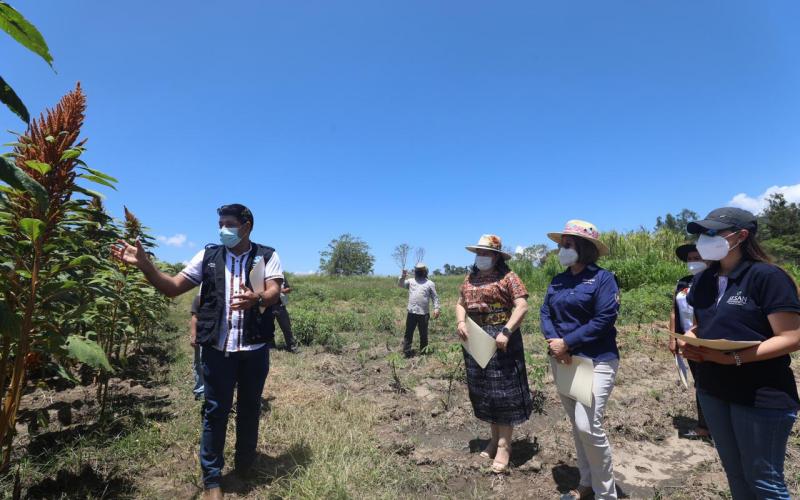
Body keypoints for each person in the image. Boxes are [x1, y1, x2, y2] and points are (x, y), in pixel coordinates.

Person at [111, 204, 283, 500]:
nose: (222, 229)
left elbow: (274, 291)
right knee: (215, 412)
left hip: (254, 349)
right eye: (220, 223)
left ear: (246, 226)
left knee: (250, 409)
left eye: (228, 223)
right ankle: (212, 480)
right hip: (217, 350)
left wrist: (257, 298)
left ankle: (244, 466)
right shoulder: (208, 256)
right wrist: (146, 266)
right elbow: (173, 287)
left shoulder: (267, 255)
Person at [680, 207, 800, 500]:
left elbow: (792, 336)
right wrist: (690, 338)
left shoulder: (766, 277)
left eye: (712, 233)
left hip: (760, 394)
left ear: (741, 236)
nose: (703, 240)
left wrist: (734, 358)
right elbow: (700, 323)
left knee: (763, 481)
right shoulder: (704, 279)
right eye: (701, 234)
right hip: (713, 389)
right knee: (735, 473)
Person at [540, 220, 620, 500]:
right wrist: (555, 344)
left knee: (588, 425)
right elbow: (545, 313)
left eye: (568, 244)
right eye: (561, 244)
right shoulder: (558, 280)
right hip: (563, 361)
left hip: (596, 361)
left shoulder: (603, 279)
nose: (562, 249)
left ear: (584, 248)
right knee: (577, 425)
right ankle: (586, 483)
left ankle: (605, 494)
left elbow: (604, 318)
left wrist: (568, 343)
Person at [455, 234, 532, 474]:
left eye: (486, 253)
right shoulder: (470, 278)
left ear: (496, 256)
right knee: (485, 391)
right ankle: (492, 439)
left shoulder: (508, 278)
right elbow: (460, 303)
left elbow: (522, 306)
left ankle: (504, 445)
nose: (481, 257)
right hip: (476, 338)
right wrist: (460, 322)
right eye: (479, 253)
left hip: (502, 339)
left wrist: (507, 331)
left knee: (503, 392)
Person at [667, 243, 710, 439]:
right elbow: (674, 311)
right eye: (690, 259)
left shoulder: (716, 280)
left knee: (710, 383)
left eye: (697, 258)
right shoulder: (683, 283)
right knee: (700, 382)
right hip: (687, 340)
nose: (693, 263)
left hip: (710, 340)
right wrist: (673, 338)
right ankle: (705, 426)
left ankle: (711, 427)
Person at [398, 262, 441, 357]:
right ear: (415, 271)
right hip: (412, 312)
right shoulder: (410, 281)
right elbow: (400, 284)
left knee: (423, 334)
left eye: (421, 270)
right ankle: (407, 352)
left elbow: (435, 297)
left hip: (424, 313)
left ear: (425, 271)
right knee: (408, 333)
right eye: (417, 270)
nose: (419, 272)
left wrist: (436, 308)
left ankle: (424, 352)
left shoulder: (430, 283)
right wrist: (403, 276)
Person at [275, 275, 299, 353]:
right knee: (268, 327)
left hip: (281, 305)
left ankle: (292, 346)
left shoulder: (281, 276)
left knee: (286, 327)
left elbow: (288, 289)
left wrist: (281, 290)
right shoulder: (264, 274)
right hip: (268, 306)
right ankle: (271, 347)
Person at [190, 292, 205, 400]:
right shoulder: (200, 297)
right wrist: (194, 335)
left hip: (218, 338)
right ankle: (201, 390)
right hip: (202, 336)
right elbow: (195, 317)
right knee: (200, 363)